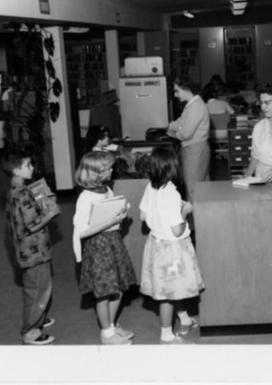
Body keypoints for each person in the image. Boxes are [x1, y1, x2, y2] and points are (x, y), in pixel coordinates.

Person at [139, 146, 205, 344]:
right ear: (173, 168)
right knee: (168, 294)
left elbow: (142, 216)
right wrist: (185, 210)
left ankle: (183, 318)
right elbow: (177, 229)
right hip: (172, 248)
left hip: (155, 244)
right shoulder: (172, 194)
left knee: (175, 287)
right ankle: (166, 336)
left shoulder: (150, 186)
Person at [72, 151, 137, 345]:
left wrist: (120, 213)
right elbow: (81, 231)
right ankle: (106, 333)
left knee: (118, 288)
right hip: (98, 247)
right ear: (96, 173)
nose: (112, 170)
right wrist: (110, 220)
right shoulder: (85, 197)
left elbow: (109, 213)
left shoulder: (106, 190)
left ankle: (110, 324)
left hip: (113, 242)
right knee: (103, 292)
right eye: (108, 168)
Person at [5, 153, 58, 345]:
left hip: (25, 250)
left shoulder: (15, 190)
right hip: (35, 252)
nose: (32, 168)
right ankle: (30, 331)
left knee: (34, 287)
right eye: (28, 165)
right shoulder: (23, 194)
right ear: (16, 170)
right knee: (38, 290)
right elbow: (33, 224)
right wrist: (51, 211)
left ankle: (38, 318)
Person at [166, 76, 210, 201]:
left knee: (193, 188)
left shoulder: (195, 106)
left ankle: (196, 219)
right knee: (202, 187)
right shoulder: (192, 105)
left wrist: (171, 134)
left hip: (195, 150)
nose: (175, 95)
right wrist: (169, 126)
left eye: (177, 91)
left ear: (186, 89)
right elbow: (181, 121)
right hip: (197, 148)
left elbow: (185, 134)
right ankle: (203, 217)